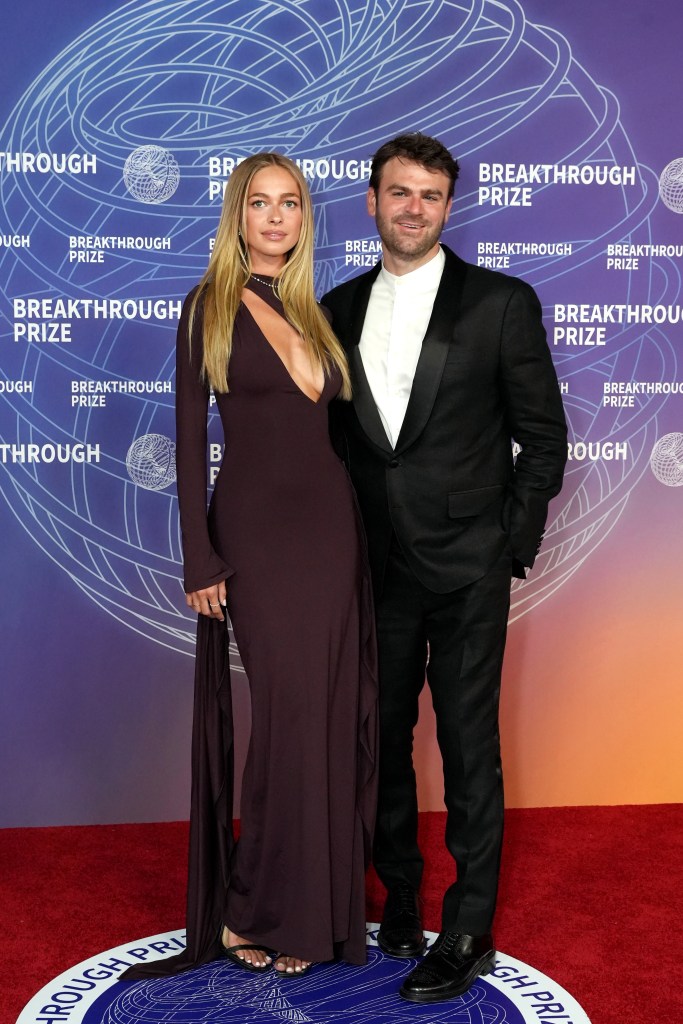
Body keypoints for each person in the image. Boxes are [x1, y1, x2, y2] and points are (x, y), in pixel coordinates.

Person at [322, 133, 567, 1003]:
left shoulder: (500, 302)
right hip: (372, 569)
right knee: (381, 743)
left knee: (467, 750)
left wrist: (508, 542)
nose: (412, 208)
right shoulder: (336, 307)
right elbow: (333, 448)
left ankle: (466, 926)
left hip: (467, 567)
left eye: (429, 195)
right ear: (371, 201)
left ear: (448, 205)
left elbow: (543, 440)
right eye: (398, 193)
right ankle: (396, 899)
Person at [122, 153, 377, 982]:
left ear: (305, 217)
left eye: (290, 203)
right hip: (258, 538)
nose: (275, 218)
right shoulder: (209, 306)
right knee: (290, 714)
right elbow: (192, 440)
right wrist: (201, 553)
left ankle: (321, 910)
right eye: (259, 203)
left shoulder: (312, 310)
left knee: (332, 715)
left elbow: (336, 437)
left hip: (332, 534)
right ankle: (253, 912)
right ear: (238, 215)